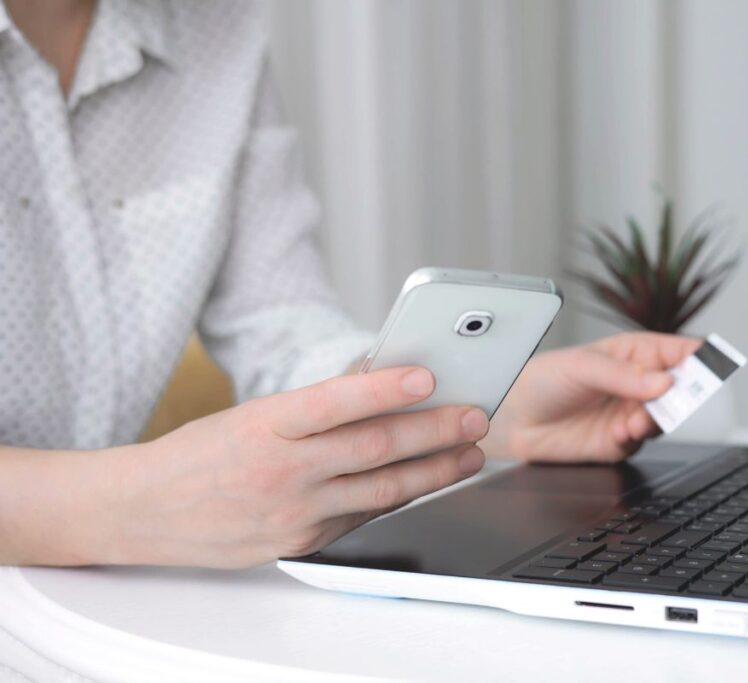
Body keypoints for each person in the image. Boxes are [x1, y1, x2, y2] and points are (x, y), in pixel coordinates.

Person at [0, 0, 698, 568]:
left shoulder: (217, 29)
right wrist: (139, 503)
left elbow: (280, 324)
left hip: (93, 604)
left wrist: (487, 406)